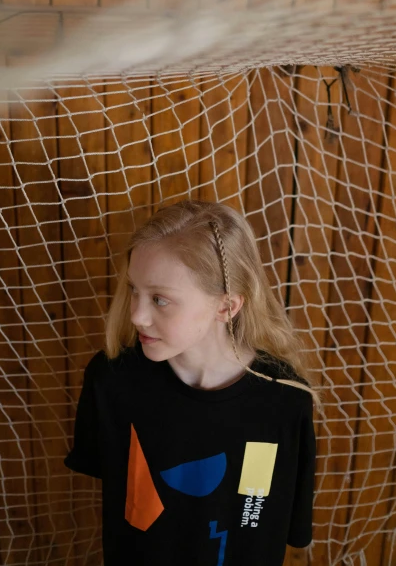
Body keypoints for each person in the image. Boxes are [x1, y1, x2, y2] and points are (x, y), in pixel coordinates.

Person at [64, 199, 322, 566]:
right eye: (134, 289)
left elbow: (266, 512)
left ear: (226, 306)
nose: (137, 314)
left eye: (160, 299)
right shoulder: (111, 381)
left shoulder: (283, 400)